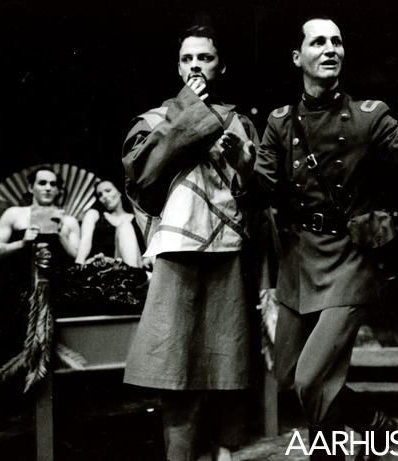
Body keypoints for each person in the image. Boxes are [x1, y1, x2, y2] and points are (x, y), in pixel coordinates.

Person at [245, 16, 398, 461]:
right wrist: (242, 166)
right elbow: (262, 187)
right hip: (298, 260)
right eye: (318, 42)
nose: (330, 49)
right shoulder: (280, 123)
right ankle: (372, 424)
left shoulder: (370, 116)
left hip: (348, 260)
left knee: (311, 378)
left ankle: (329, 454)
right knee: (288, 374)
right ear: (298, 57)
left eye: (337, 41)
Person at [122, 24, 259, 461]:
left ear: (222, 66)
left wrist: (246, 167)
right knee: (174, 365)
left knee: (227, 362)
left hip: (229, 252)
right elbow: (141, 177)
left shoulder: (241, 122)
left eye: (205, 58)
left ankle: (225, 451)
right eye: (187, 58)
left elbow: (259, 195)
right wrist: (187, 112)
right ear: (177, 67)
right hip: (177, 252)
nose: (196, 65)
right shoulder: (154, 119)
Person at [0, 166, 80, 366]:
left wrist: (61, 233)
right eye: (42, 183)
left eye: (53, 184)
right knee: (6, 346)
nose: (48, 188)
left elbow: (78, 257)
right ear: (30, 187)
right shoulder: (14, 214)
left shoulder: (69, 221)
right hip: (17, 292)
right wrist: (21, 243)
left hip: (56, 293)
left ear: (58, 190)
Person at [75, 179, 142, 267]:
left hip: (134, 265)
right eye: (100, 195)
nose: (104, 196)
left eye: (108, 191)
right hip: (105, 266)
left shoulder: (137, 219)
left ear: (119, 192)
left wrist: (148, 260)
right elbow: (85, 241)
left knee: (125, 226)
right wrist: (79, 264)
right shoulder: (94, 215)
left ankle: (131, 271)